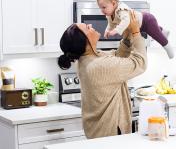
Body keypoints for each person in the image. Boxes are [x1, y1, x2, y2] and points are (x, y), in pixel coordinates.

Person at [57, 11, 147, 139]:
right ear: (85, 41)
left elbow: (116, 56)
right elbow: (140, 63)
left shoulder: (89, 59)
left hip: (98, 133)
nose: (91, 26)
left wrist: (127, 37)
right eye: (87, 28)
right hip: (110, 135)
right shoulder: (98, 66)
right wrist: (136, 33)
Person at [95, 0, 174, 59]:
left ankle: (168, 48)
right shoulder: (109, 14)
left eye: (104, 7)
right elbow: (110, 24)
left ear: (113, 3)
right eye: (100, 8)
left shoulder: (121, 9)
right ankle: (164, 31)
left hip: (147, 21)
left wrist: (116, 31)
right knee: (156, 30)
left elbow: (126, 21)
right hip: (139, 25)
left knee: (157, 36)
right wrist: (107, 30)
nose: (102, 11)